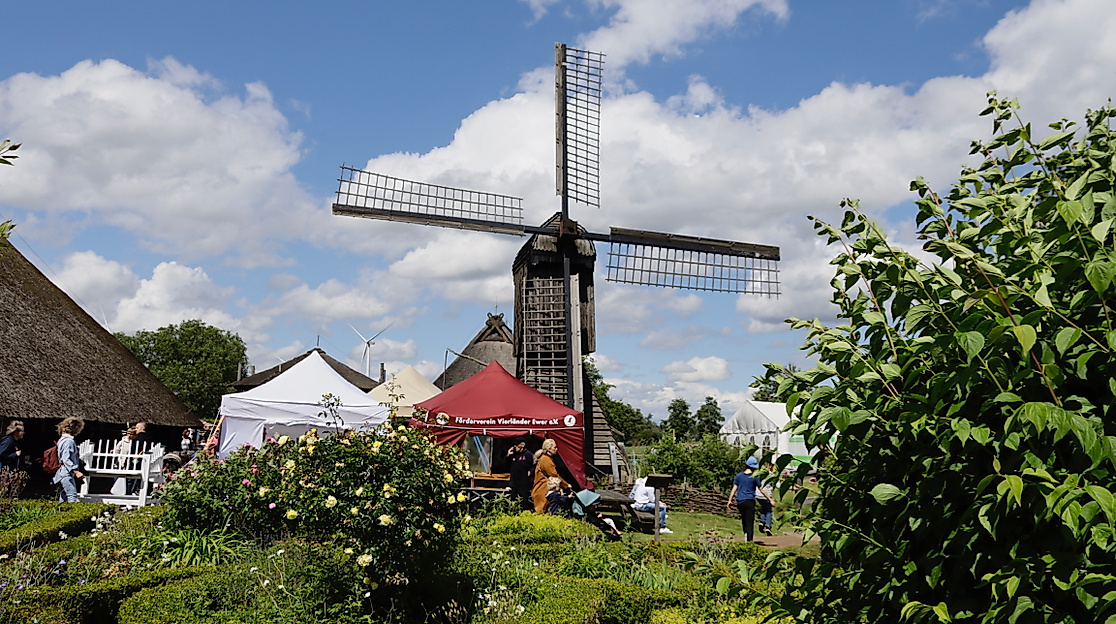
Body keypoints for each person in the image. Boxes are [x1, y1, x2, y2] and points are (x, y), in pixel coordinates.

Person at [727, 456, 763, 542]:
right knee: (750, 520)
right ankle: (749, 540)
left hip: (740, 501)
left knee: (744, 519)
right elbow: (761, 489)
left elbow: (734, 488)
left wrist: (729, 500)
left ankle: (745, 534)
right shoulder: (755, 477)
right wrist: (770, 499)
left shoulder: (739, 476)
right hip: (749, 500)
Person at [530, 439, 568, 514]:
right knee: (542, 512)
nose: (556, 449)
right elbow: (554, 475)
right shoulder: (546, 460)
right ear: (549, 449)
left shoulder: (546, 459)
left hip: (542, 489)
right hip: (543, 490)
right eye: (554, 447)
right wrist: (566, 485)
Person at [53, 417, 85, 503]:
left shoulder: (62, 440)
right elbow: (66, 459)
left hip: (63, 472)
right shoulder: (68, 441)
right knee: (72, 497)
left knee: (63, 498)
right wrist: (76, 471)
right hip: (66, 473)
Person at [126, 422, 156, 496]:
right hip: (148, 462)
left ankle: (130, 492)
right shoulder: (152, 438)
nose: (136, 429)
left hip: (136, 461)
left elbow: (132, 451)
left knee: (132, 479)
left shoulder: (137, 439)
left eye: (137, 428)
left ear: (142, 428)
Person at [505, 437, 534, 511]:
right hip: (514, 483)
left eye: (516, 446)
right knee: (513, 502)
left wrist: (531, 471)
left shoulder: (528, 454)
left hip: (524, 483)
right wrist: (508, 455)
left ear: (522, 445)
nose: (515, 448)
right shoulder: (513, 455)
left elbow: (535, 466)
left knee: (523, 502)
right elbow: (505, 465)